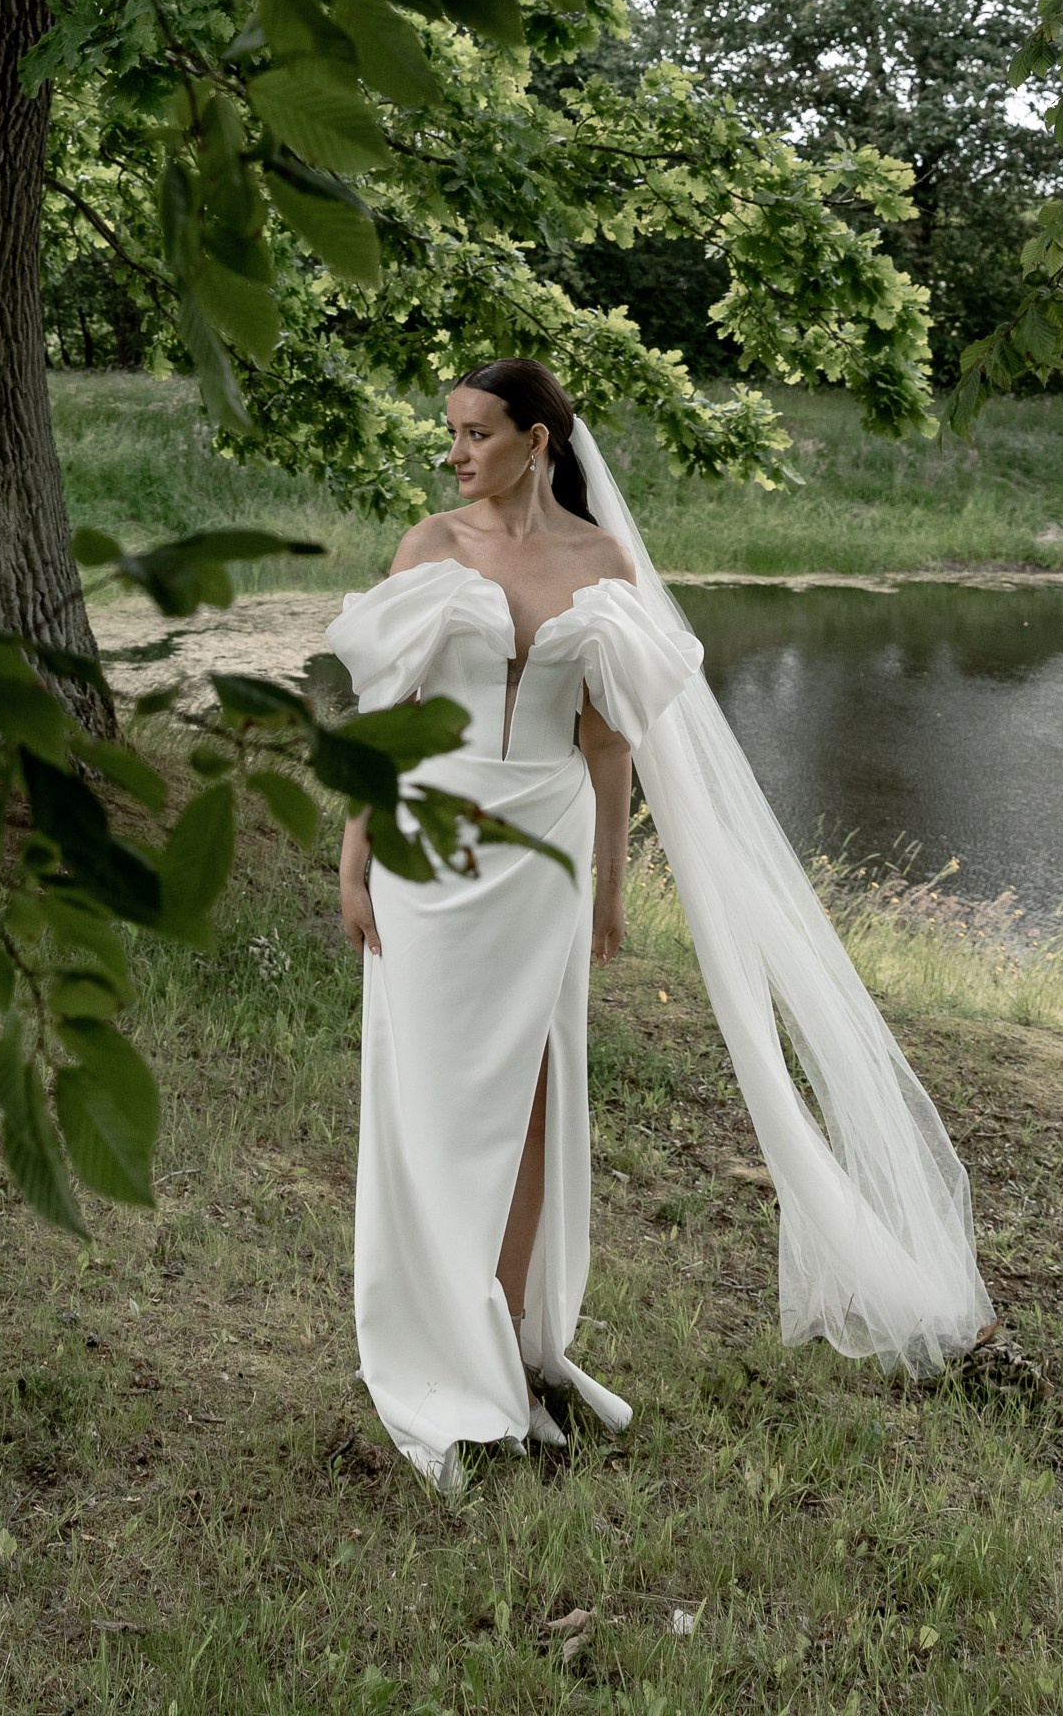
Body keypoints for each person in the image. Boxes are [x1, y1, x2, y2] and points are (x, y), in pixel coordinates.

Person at [335, 357, 992, 1497]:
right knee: (427, 1103)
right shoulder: (428, 547)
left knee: (532, 1098)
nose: (455, 454)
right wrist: (353, 859)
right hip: (427, 845)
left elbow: (607, 743)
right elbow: (380, 719)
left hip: (540, 846)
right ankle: (440, 1357)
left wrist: (607, 885)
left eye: (476, 433)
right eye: (449, 433)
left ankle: (519, 1346)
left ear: (537, 440)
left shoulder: (601, 564)